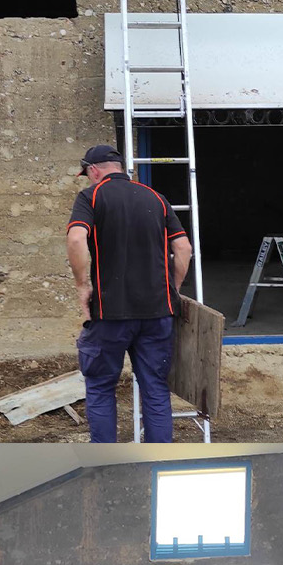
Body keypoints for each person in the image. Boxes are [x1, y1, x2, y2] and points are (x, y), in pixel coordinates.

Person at [65, 144, 191, 442]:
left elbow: (75, 239)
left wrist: (84, 287)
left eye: (87, 175)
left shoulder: (91, 197)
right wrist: (172, 289)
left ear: (93, 170)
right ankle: (156, 460)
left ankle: (106, 464)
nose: (87, 180)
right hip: (157, 315)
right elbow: (183, 247)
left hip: (109, 314)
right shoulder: (155, 198)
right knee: (155, 389)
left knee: (100, 388)